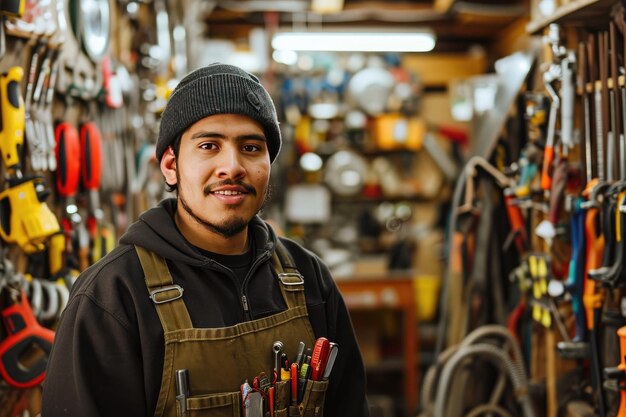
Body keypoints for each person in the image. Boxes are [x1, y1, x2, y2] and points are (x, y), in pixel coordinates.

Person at [42, 63, 370, 417]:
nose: (232, 166)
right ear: (171, 165)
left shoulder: (309, 277)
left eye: (251, 147)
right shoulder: (113, 297)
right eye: (209, 145)